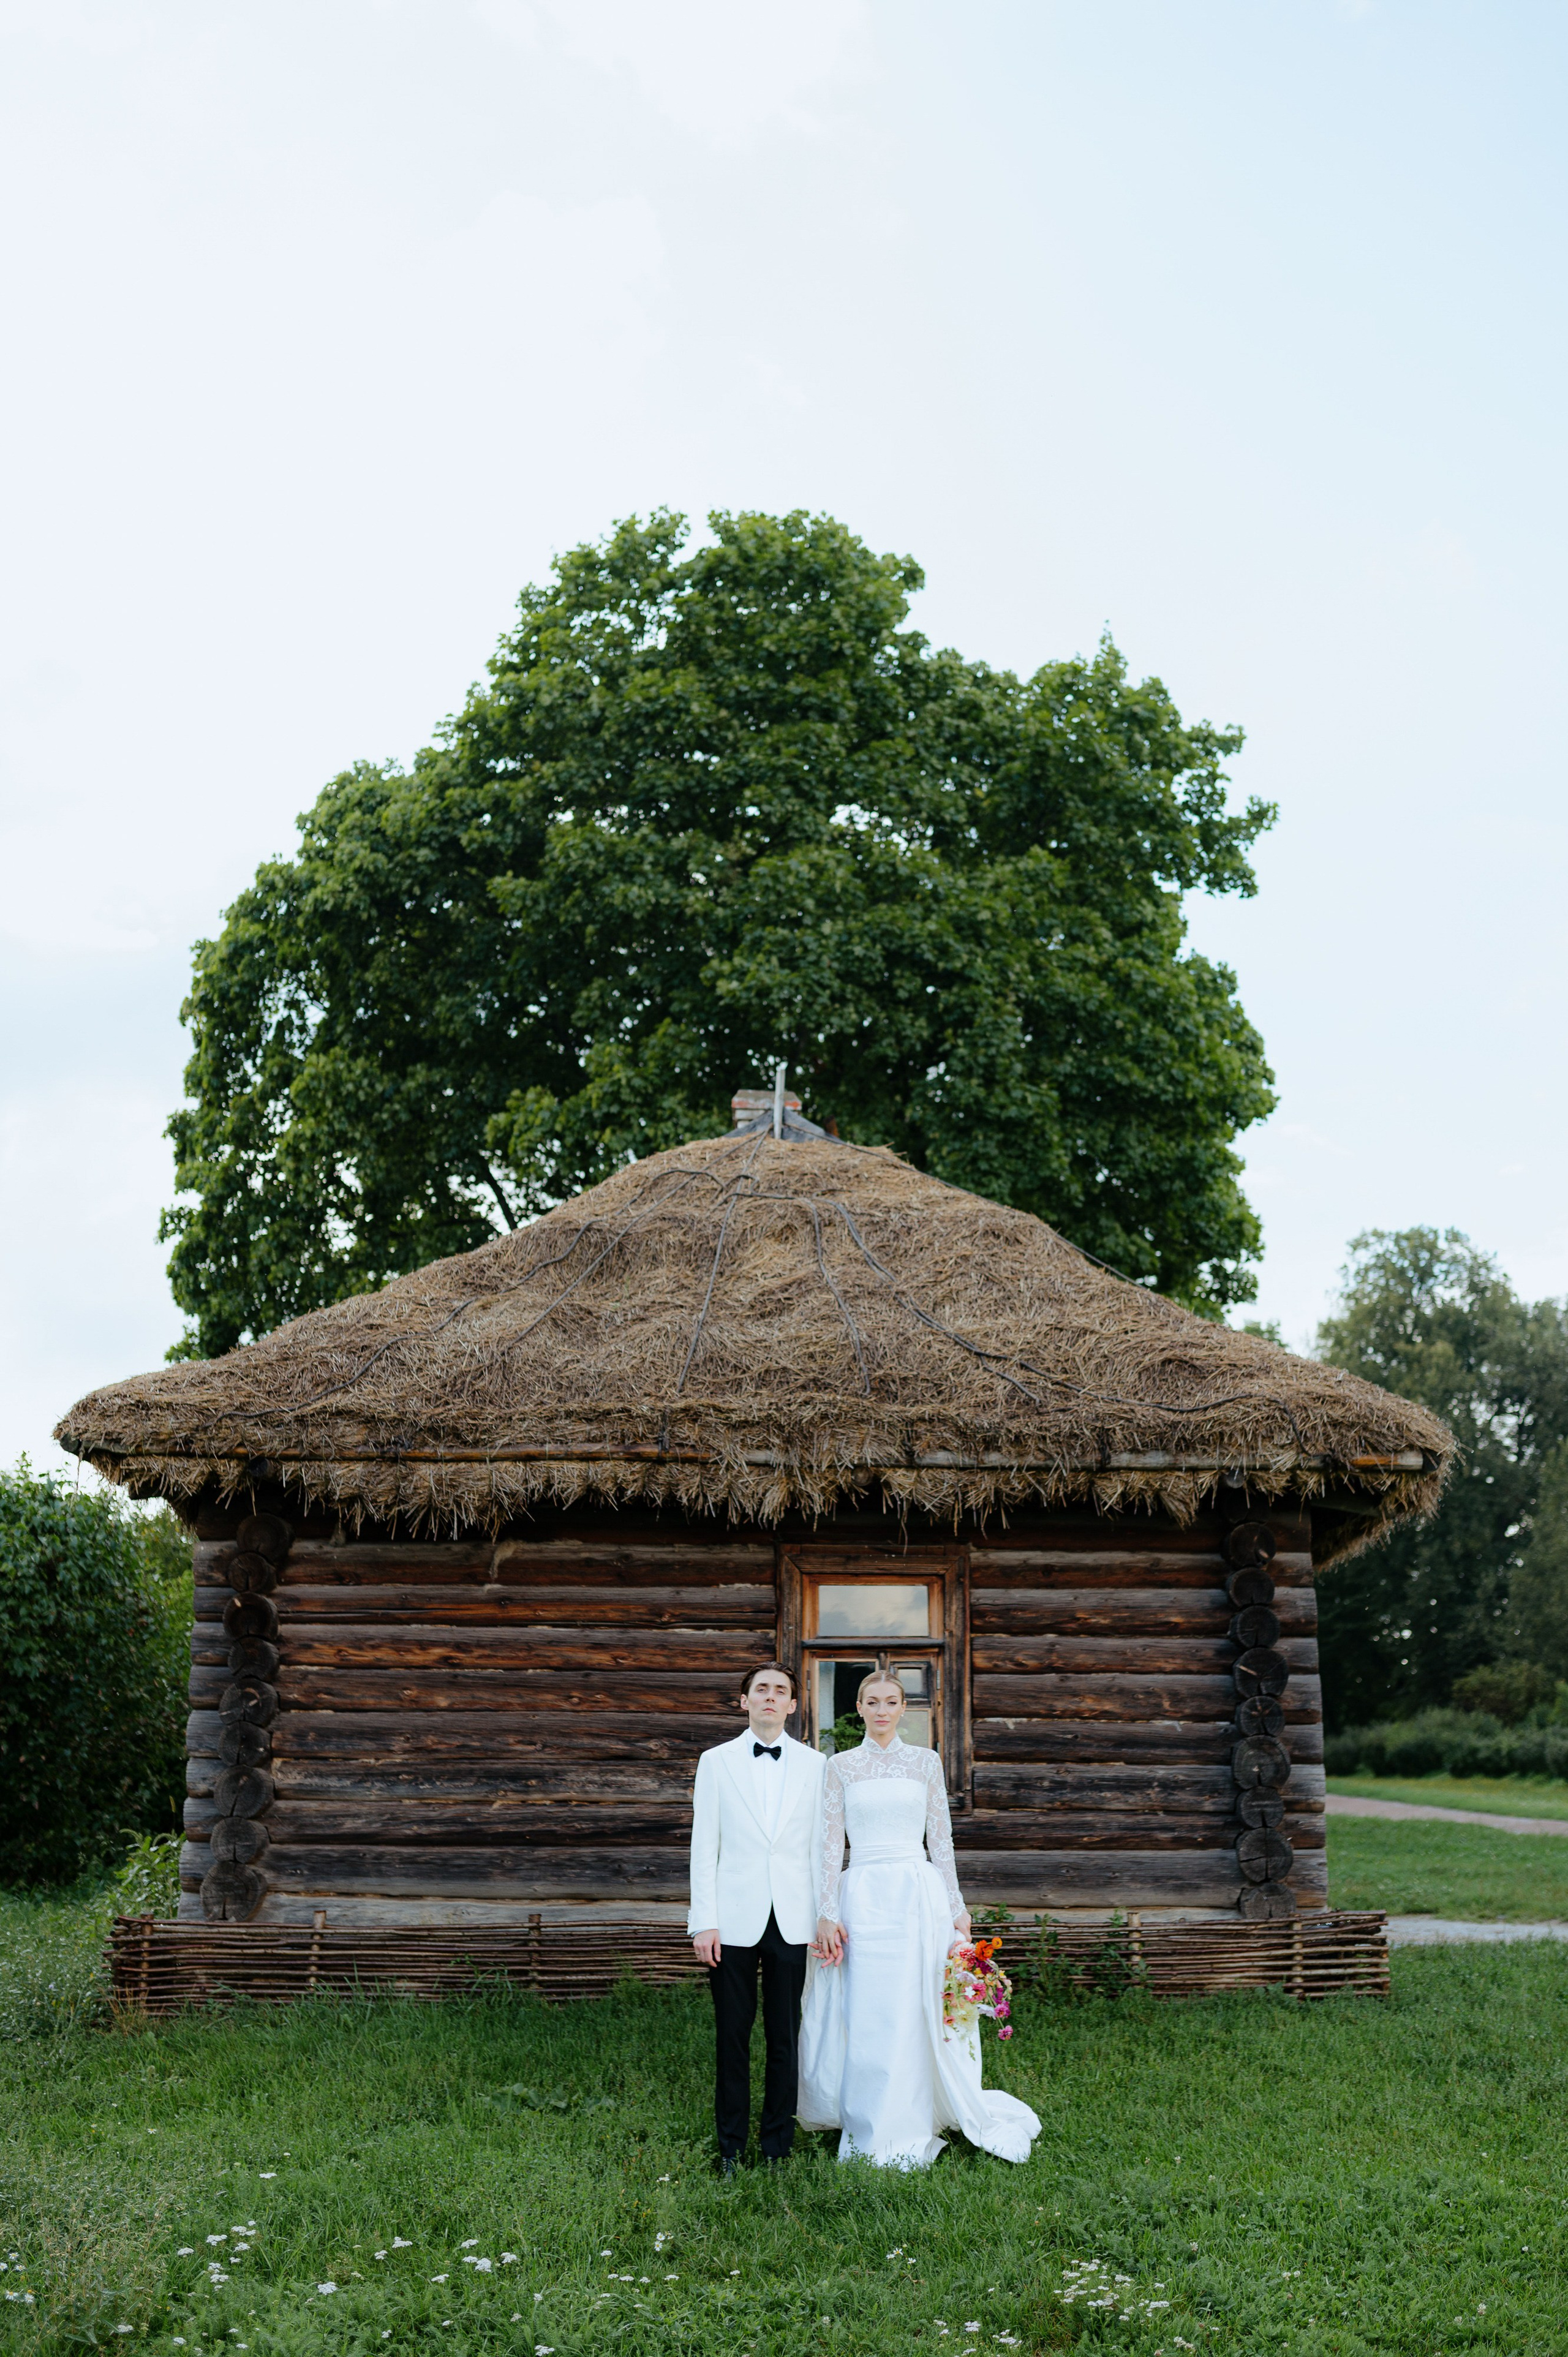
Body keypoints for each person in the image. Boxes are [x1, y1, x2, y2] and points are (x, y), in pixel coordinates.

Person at [797, 1670, 1041, 2168]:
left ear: (903, 1709)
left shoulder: (926, 1763)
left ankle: (923, 2105)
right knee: (871, 2008)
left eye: (891, 1701)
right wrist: (826, 1912)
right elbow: (827, 1845)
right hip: (862, 1895)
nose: (882, 1710)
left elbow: (941, 1842)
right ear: (859, 1708)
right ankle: (873, 2117)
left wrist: (957, 1909)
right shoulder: (839, 1766)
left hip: (917, 1894)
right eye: (872, 1701)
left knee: (919, 2002)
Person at [688, 1661, 827, 2174]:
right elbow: (705, 1847)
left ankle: (775, 2147)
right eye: (761, 1689)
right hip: (733, 1920)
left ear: (793, 1705)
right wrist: (703, 1921)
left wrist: (823, 1917)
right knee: (733, 2035)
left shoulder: (817, 1766)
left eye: (781, 1691)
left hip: (795, 1919)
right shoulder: (715, 1761)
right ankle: (729, 2148)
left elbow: (821, 1850)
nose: (771, 1697)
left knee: (785, 2038)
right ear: (743, 1700)